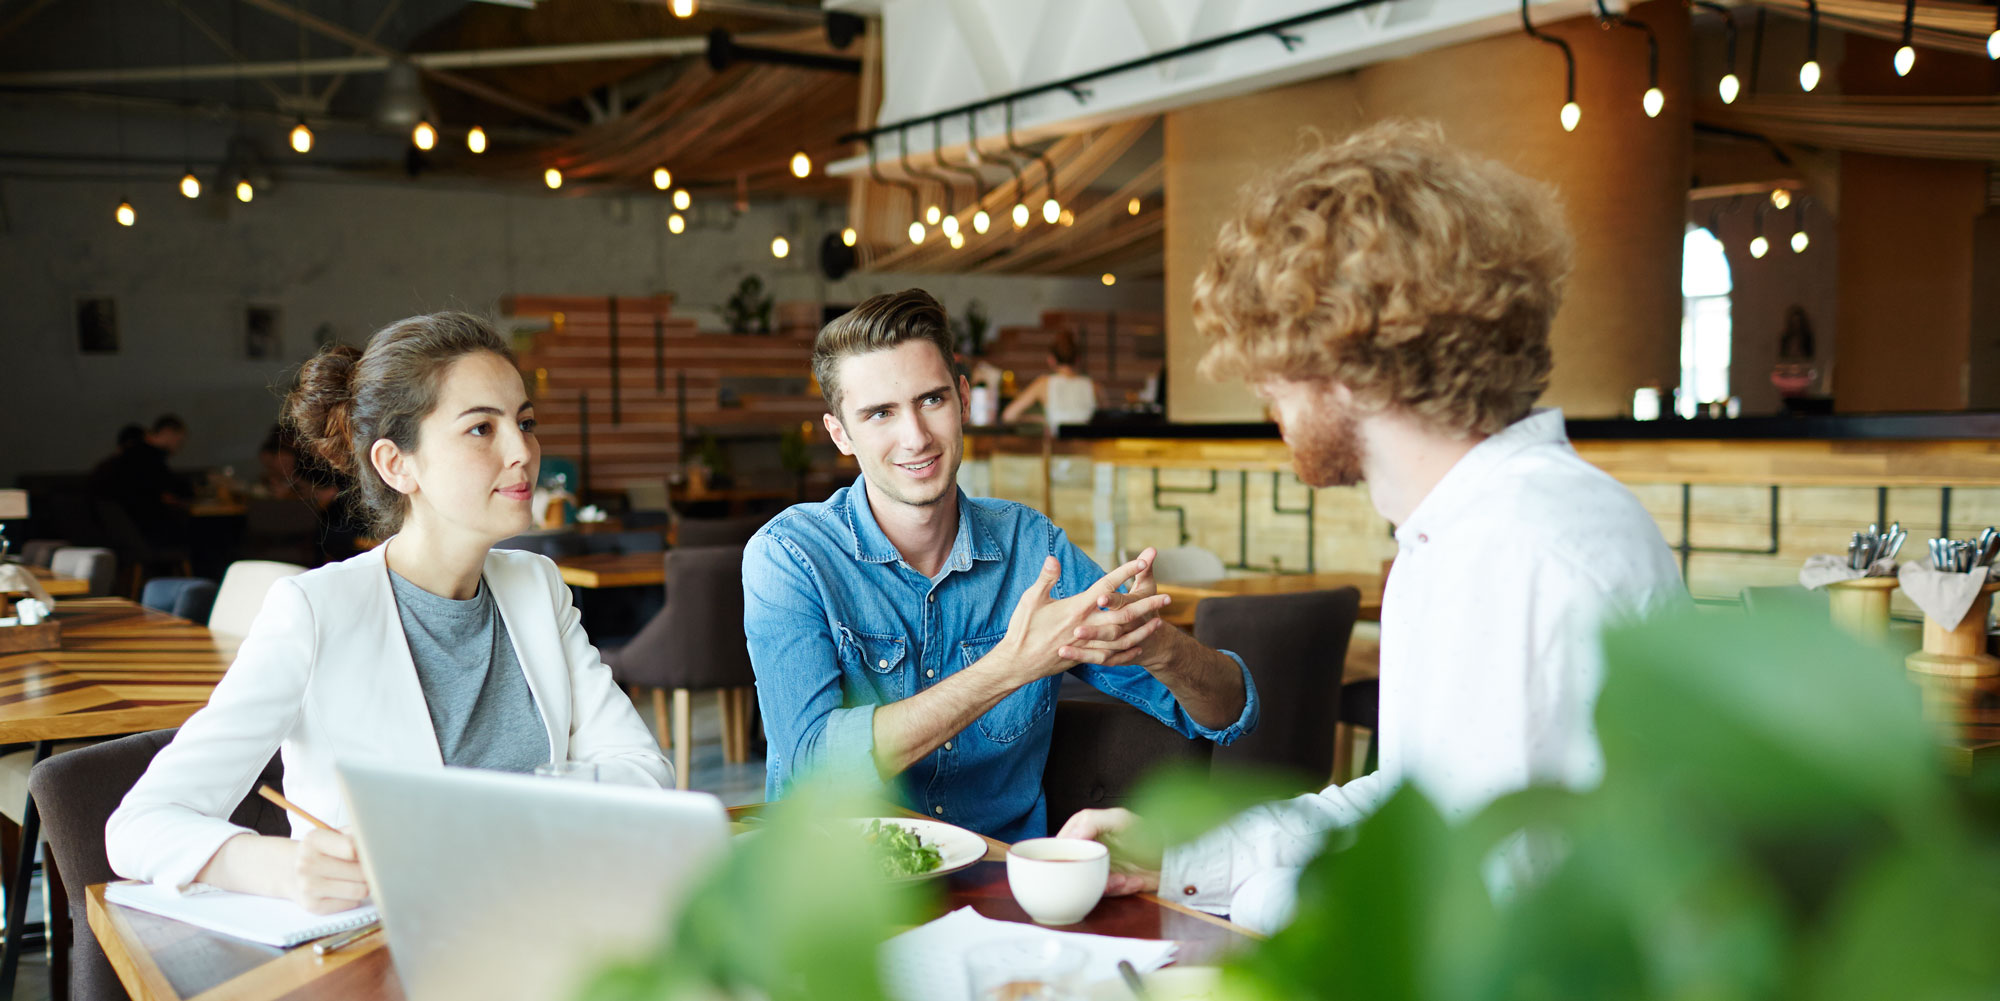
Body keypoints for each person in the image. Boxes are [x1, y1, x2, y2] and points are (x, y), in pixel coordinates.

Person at [1056, 122, 1688, 932]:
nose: (1266, 400)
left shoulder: (1525, 551)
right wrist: (1179, 857)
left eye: (1273, 368)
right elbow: (1409, 806)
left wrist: (1260, 902)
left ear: (1350, 364)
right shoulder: (1458, 531)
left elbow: (1499, 906)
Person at [108, 312, 670, 913]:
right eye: (481, 429)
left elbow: (644, 772)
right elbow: (138, 825)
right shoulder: (315, 611)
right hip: (388, 951)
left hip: (542, 919)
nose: (523, 452)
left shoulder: (537, 585)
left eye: (525, 422)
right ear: (396, 464)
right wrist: (281, 866)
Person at [743, 289, 1258, 843]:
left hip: (1004, 893)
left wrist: (1159, 647)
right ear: (840, 433)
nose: (915, 436)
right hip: (842, 900)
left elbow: (1226, 714)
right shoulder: (790, 558)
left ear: (964, 400)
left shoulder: (1033, 548)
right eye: (880, 414)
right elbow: (810, 765)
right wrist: (1011, 665)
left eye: (931, 401)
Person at [1001, 330, 1099, 430]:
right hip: (1088, 444)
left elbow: (1008, 416)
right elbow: (1105, 418)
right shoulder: (1093, 385)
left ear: (1051, 360)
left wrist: (1040, 419)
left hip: (1057, 444)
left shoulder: (1043, 383)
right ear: (1078, 359)